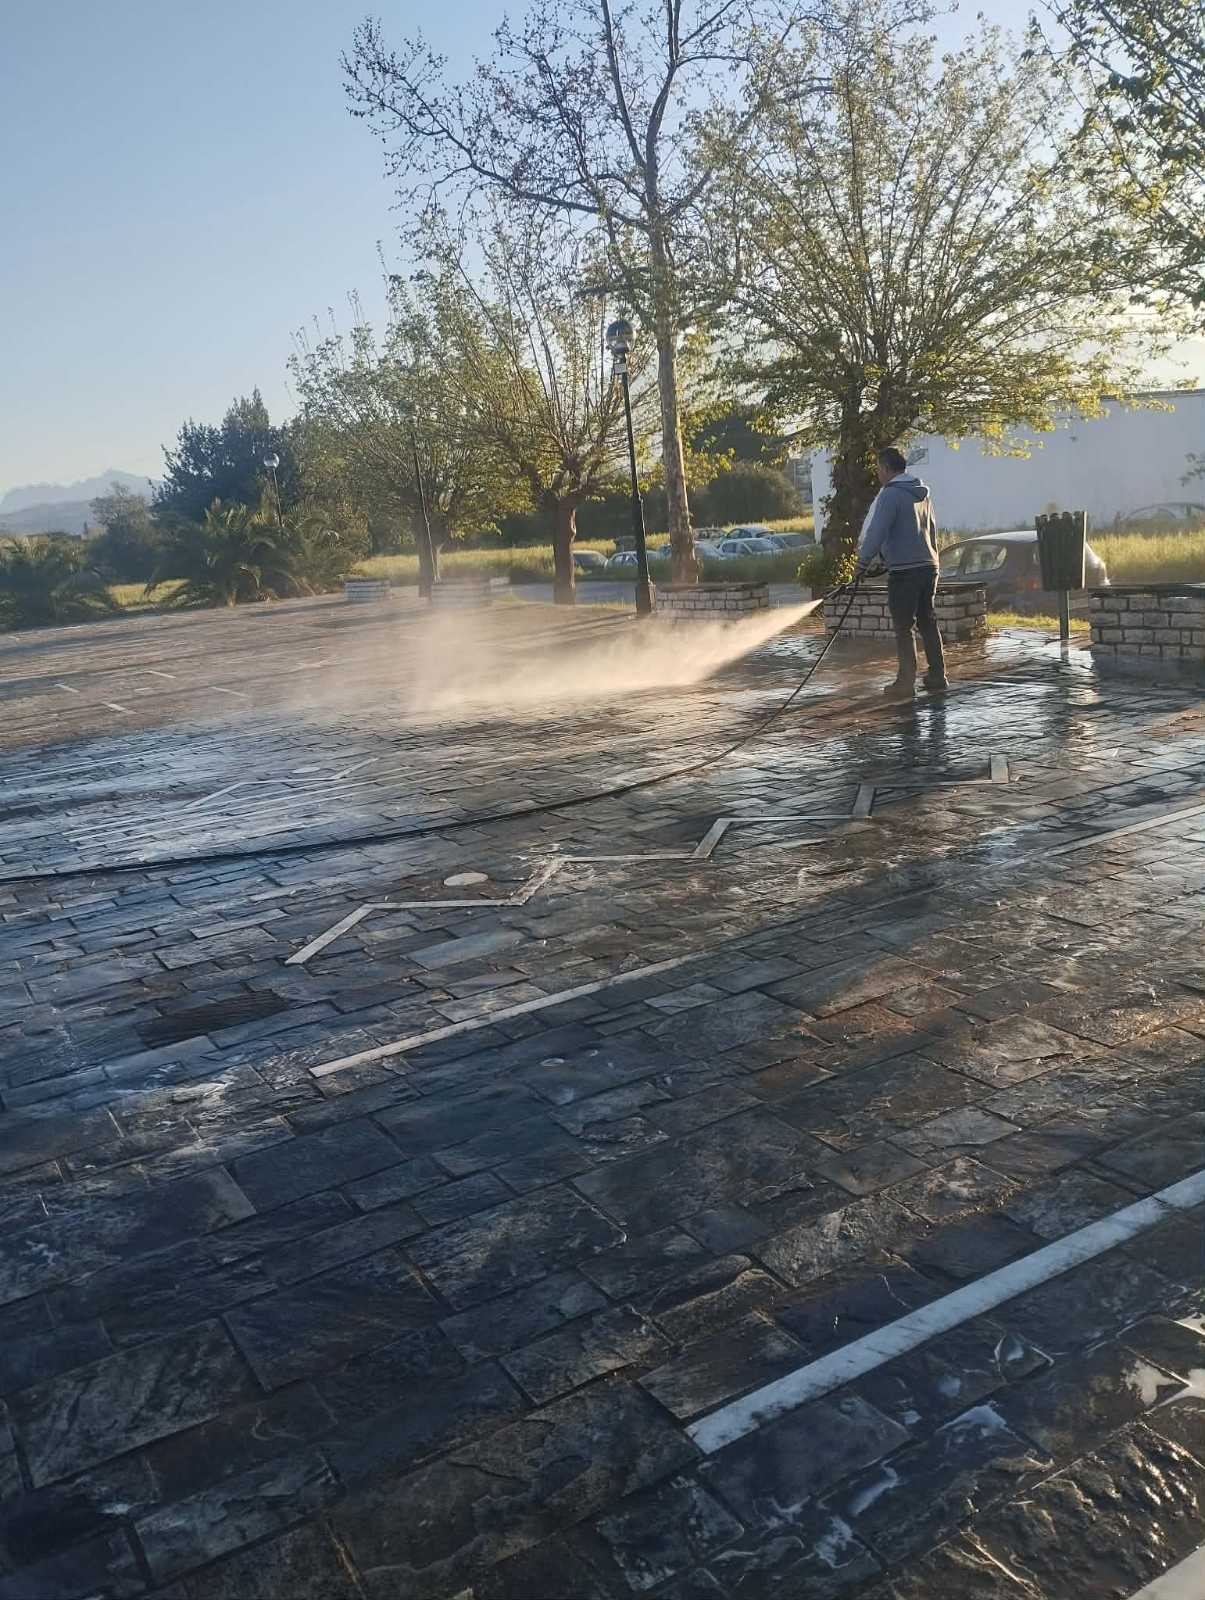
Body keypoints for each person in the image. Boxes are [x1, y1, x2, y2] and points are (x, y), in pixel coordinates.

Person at [856, 446, 948, 699]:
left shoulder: (890, 495)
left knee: (903, 626)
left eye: (878, 469)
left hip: (905, 572)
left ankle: (905, 682)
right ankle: (938, 675)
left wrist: (862, 563)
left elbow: (877, 531)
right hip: (929, 566)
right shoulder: (922, 493)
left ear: (886, 468)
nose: (878, 474)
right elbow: (931, 529)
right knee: (928, 621)